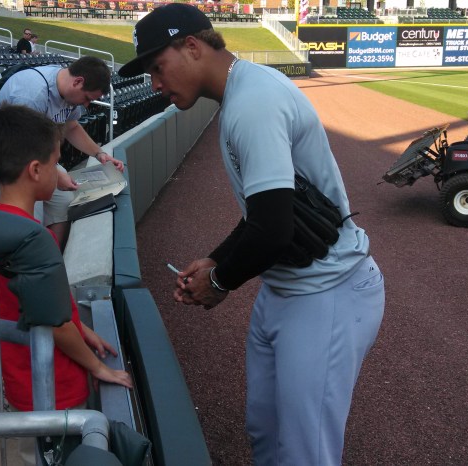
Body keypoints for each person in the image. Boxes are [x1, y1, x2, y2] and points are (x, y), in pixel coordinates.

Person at [119, 4, 385, 465]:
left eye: (157, 68)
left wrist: (220, 281)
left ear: (193, 46)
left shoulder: (252, 102)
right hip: (286, 289)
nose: (155, 84)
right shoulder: (242, 94)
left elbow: (274, 229)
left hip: (328, 292)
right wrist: (218, 258)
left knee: (305, 452)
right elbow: (267, 212)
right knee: (265, 429)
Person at [0, 103, 133, 466]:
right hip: (53, 389)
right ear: (35, 170)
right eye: (56, 163)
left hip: (21, 380)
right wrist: (97, 367)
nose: (58, 171)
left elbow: (37, 306)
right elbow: (55, 323)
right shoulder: (33, 237)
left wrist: (84, 331)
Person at [0, 56, 124, 249]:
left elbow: (71, 127)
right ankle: (29, 270)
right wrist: (55, 174)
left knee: (64, 202)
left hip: (39, 157)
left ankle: (51, 258)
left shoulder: (67, 91)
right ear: (78, 82)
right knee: (29, 221)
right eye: (87, 98)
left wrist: (99, 154)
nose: (86, 105)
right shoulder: (31, 93)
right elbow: (23, 146)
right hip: (12, 160)